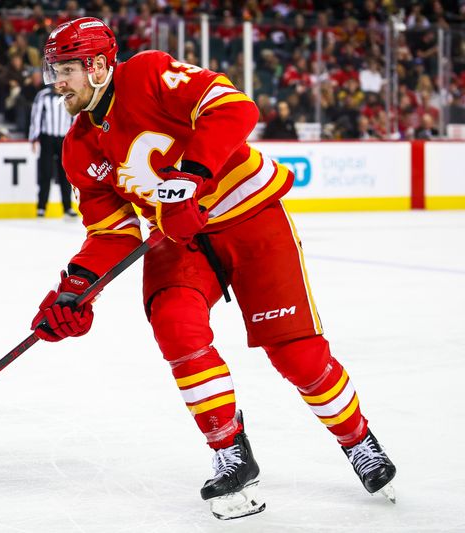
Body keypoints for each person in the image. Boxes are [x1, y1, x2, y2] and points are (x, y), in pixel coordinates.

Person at [31, 18, 396, 520]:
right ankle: (229, 451)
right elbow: (111, 234)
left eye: (66, 70)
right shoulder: (79, 147)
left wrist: (193, 178)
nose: (57, 81)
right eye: (55, 70)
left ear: (97, 66)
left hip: (250, 217)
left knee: (299, 358)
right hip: (179, 237)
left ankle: (358, 440)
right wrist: (74, 289)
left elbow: (234, 108)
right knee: (175, 326)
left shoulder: (149, 74)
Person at [29, 83, 76, 218]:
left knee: (65, 174)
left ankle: (67, 207)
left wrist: (74, 138)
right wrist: (34, 138)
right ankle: (41, 206)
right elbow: (36, 116)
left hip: (64, 139)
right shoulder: (43, 95)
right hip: (47, 138)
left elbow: (75, 116)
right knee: (46, 172)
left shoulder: (69, 95)